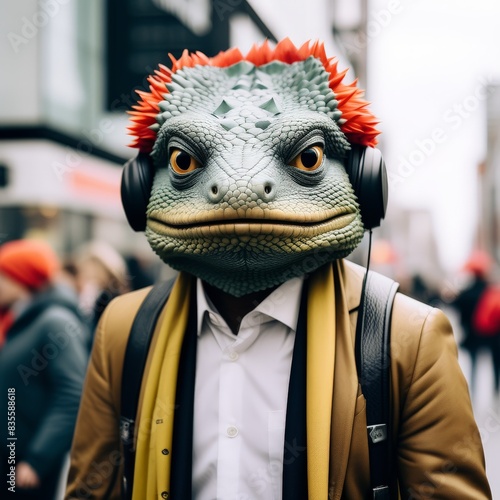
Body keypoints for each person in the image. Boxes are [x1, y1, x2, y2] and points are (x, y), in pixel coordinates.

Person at [66, 39, 491, 499]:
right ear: (140, 188)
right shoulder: (123, 330)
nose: (240, 187)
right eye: (184, 161)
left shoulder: (409, 339)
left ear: (363, 182)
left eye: (307, 159)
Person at [0, 239, 89, 499]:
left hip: (24, 465)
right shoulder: (20, 317)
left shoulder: (55, 322)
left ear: (20, 278)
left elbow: (73, 393)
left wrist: (38, 459)